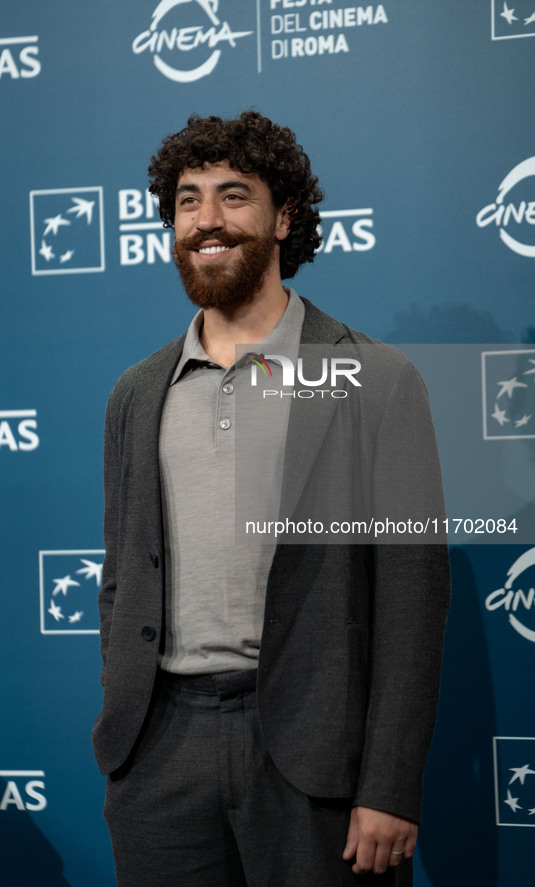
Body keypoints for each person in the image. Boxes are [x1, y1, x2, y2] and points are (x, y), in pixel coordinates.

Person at [92, 111, 450, 886]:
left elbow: (411, 601)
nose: (206, 221)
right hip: (159, 759)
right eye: (187, 201)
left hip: (314, 757)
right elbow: (120, 575)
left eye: (232, 196)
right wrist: (127, 729)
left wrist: (387, 784)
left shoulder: (377, 380)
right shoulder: (138, 391)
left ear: (283, 217)